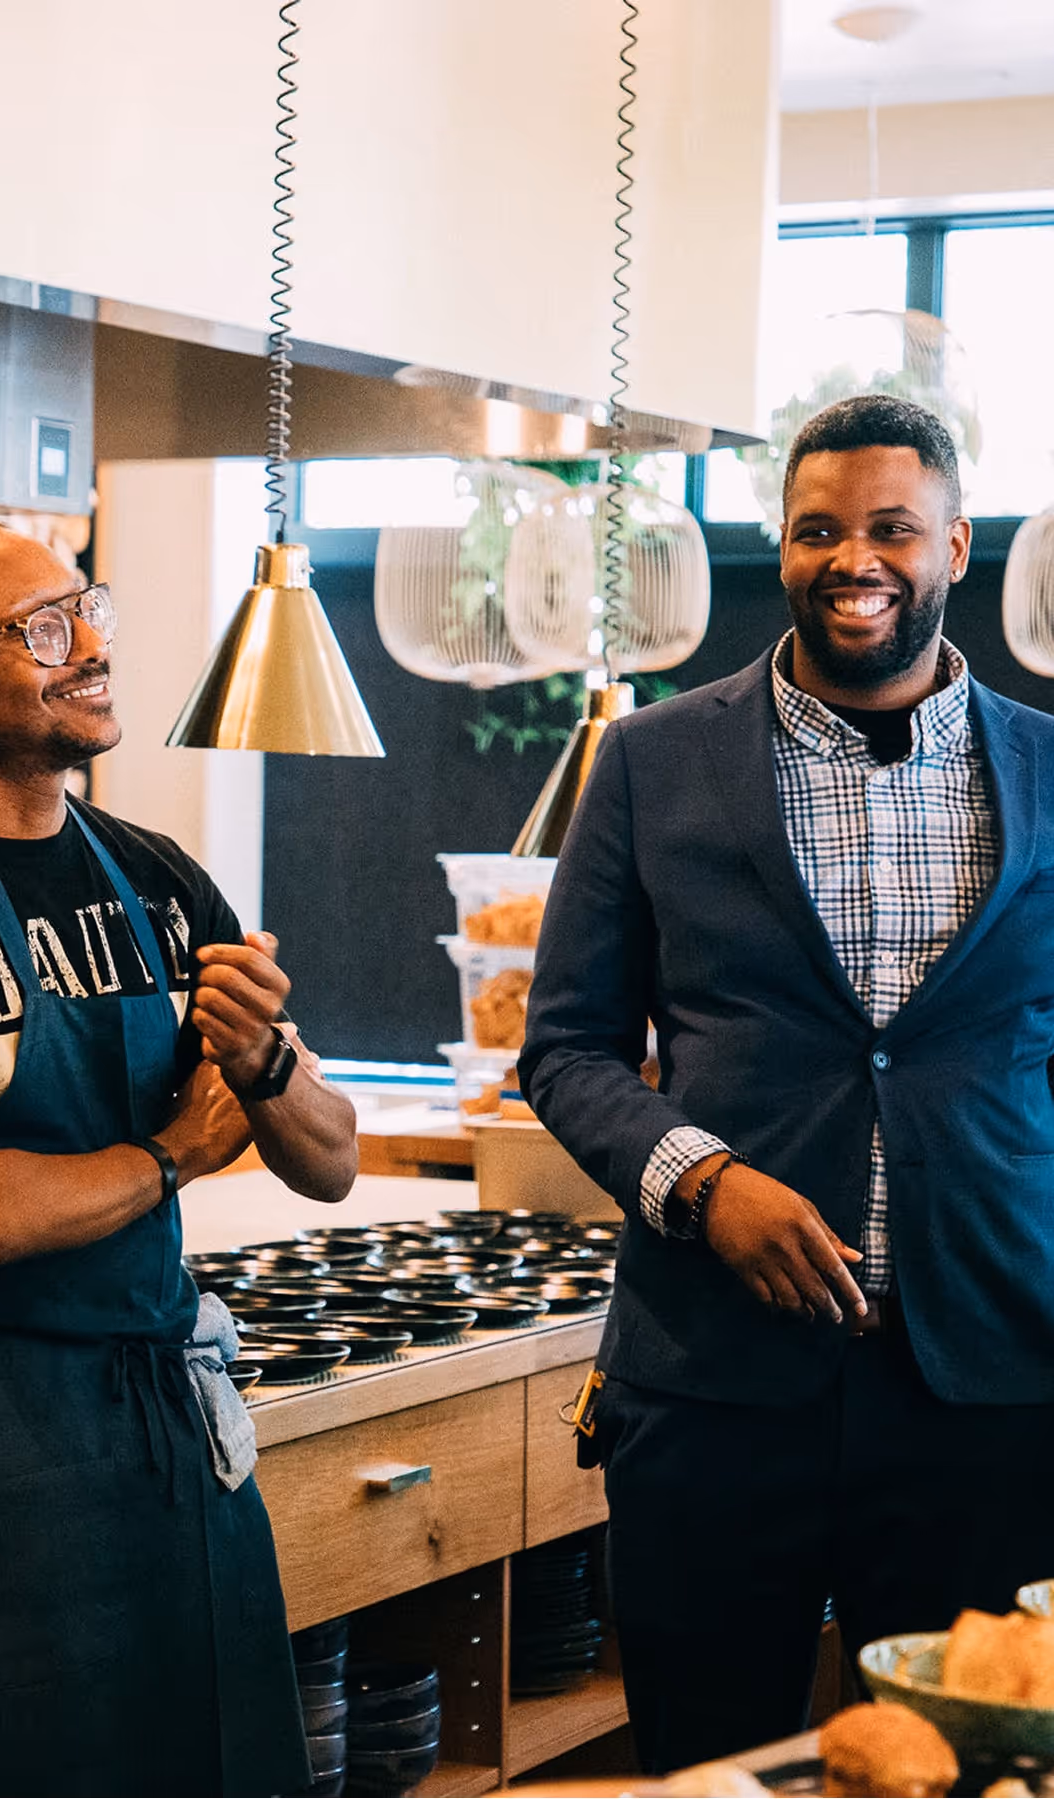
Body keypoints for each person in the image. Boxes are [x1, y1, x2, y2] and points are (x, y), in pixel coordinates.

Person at [519, 396, 1054, 1776]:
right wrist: (695, 1179)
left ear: (950, 544)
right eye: (817, 527)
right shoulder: (649, 758)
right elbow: (566, 1045)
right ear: (781, 544)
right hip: (710, 1381)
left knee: (966, 1766)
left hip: (986, 1376)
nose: (851, 556)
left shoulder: (1051, 771)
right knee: (708, 1760)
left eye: (888, 526)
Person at [0, 518, 360, 1798]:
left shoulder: (153, 879)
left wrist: (261, 1066)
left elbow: (330, 1156)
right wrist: (174, 1151)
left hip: (171, 1434)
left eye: (88, 610)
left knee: (230, 1754)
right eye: (40, 629)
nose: (89, 648)